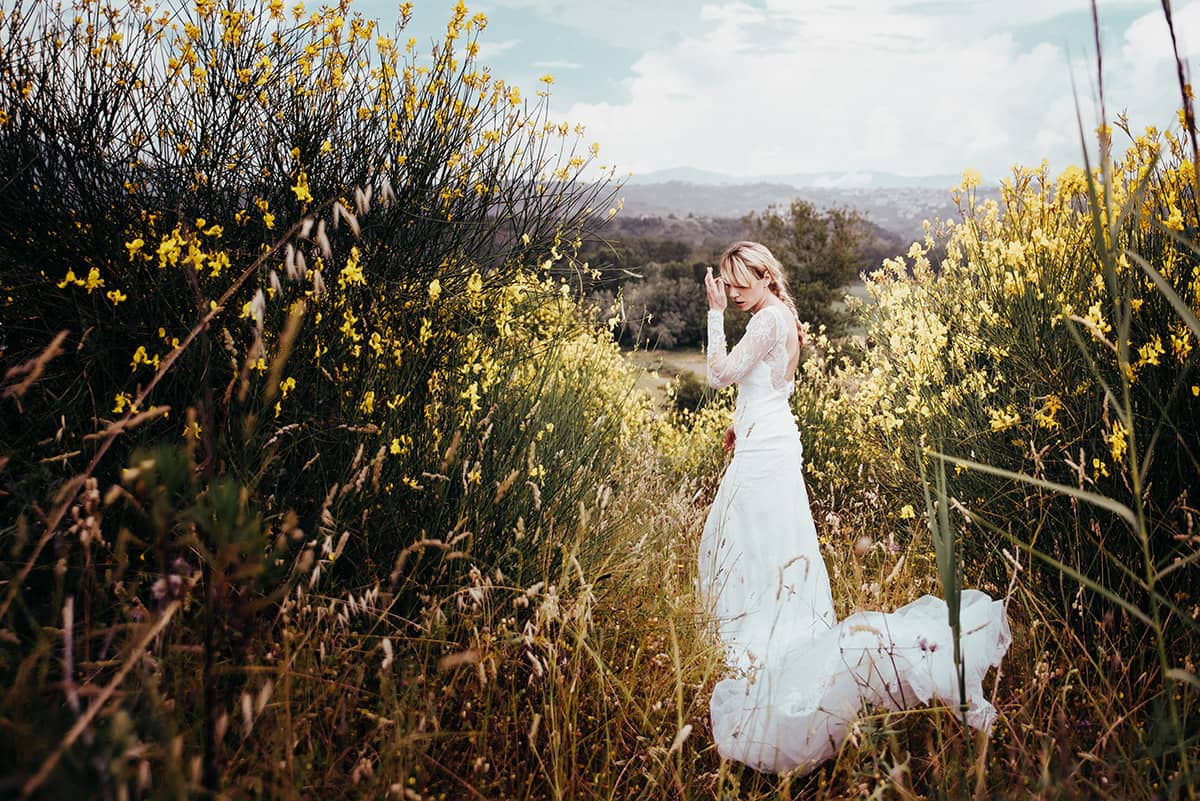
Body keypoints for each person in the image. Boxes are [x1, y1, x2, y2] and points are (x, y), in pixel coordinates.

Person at [698, 241, 1011, 774]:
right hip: (769, 447)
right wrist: (740, 423)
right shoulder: (785, 316)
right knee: (769, 551)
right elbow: (771, 390)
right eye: (726, 285)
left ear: (765, 275)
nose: (732, 292)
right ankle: (771, 652)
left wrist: (713, 316)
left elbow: (719, 374)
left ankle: (768, 663)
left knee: (746, 551)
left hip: (765, 459)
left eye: (738, 282)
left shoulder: (765, 322)